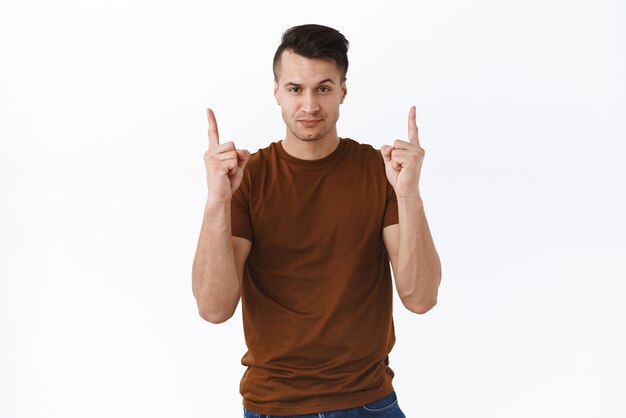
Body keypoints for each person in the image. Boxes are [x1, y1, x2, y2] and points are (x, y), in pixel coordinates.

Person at [192, 24, 441, 417]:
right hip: (274, 404)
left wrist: (409, 194)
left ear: (343, 90)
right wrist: (216, 202)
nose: (309, 106)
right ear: (276, 92)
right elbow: (213, 308)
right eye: (295, 89)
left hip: (368, 401)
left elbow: (421, 298)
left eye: (323, 88)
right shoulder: (248, 178)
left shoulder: (379, 172)